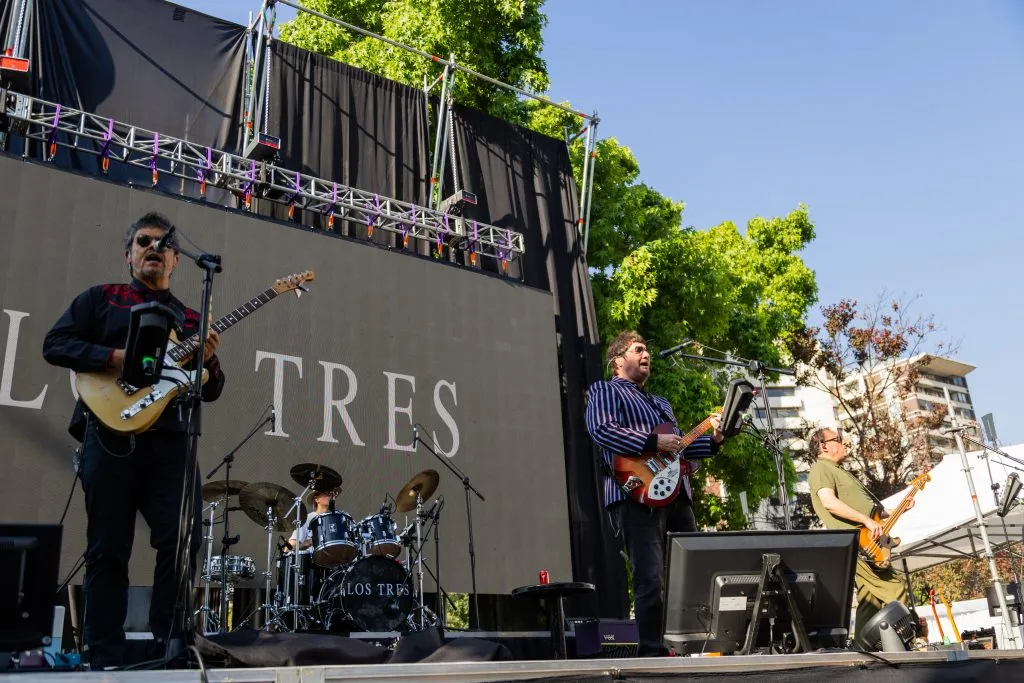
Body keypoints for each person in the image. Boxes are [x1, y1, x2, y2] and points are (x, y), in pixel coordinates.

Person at [43, 212, 225, 669]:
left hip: (171, 443)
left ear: (176, 261)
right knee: (108, 547)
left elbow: (210, 388)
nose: (154, 248)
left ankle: (173, 647)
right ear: (129, 254)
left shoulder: (188, 317)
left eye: (164, 244)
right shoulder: (102, 299)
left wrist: (210, 363)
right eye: (144, 241)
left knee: (182, 542)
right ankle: (100, 653)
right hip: (108, 438)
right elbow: (55, 343)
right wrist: (115, 357)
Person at [585, 330, 724, 656]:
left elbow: (679, 450)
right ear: (619, 360)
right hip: (635, 494)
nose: (646, 354)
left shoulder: (661, 403)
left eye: (647, 349)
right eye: (638, 349)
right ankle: (651, 651)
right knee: (649, 578)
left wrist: (714, 440)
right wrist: (653, 442)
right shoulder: (604, 390)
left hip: (677, 496)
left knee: (693, 572)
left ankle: (691, 643)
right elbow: (602, 429)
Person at [807, 427, 913, 642]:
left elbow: (868, 510)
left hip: (866, 542)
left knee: (869, 598)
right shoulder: (821, 469)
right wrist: (865, 520)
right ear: (824, 446)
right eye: (838, 439)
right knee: (895, 586)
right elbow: (829, 503)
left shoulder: (840, 470)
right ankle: (906, 639)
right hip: (857, 544)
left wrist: (896, 510)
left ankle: (863, 649)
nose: (844, 441)